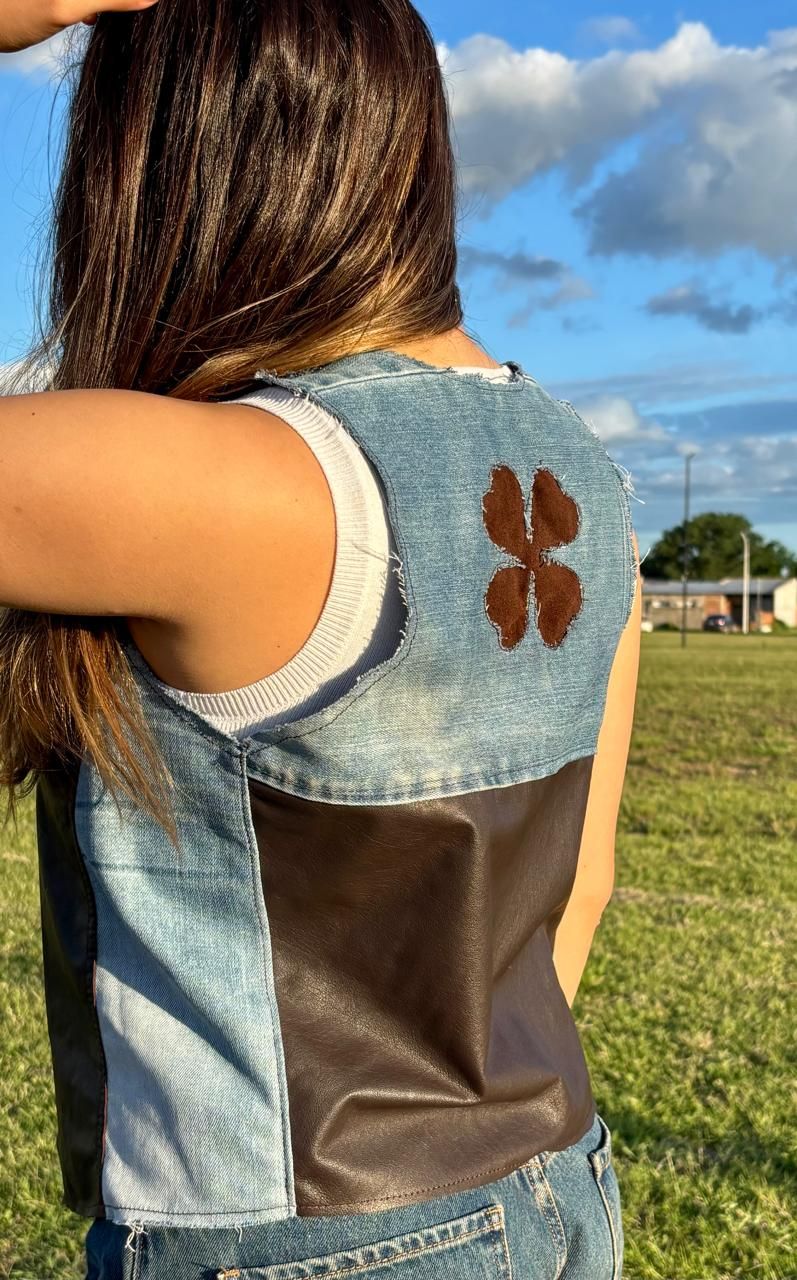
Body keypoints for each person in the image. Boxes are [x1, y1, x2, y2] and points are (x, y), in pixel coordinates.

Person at [0, 3, 641, 1278]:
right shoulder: (585, 477)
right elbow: (584, 886)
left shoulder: (206, 483)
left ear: (161, 154)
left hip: (284, 1235)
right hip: (551, 1190)